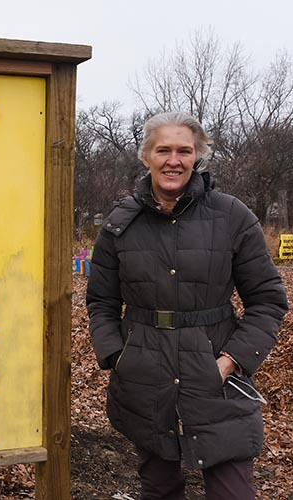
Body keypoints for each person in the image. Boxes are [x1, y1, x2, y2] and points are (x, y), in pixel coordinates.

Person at [86, 111, 288, 500]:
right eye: (163, 150)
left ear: (197, 157)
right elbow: (101, 300)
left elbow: (267, 299)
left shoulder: (231, 216)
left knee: (233, 491)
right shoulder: (119, 224)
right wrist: (117, 357)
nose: (173, 160)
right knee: (159, 488)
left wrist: (233, 360)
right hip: (146, 377)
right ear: (146, 157)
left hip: (217, 377)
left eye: (184, 151)